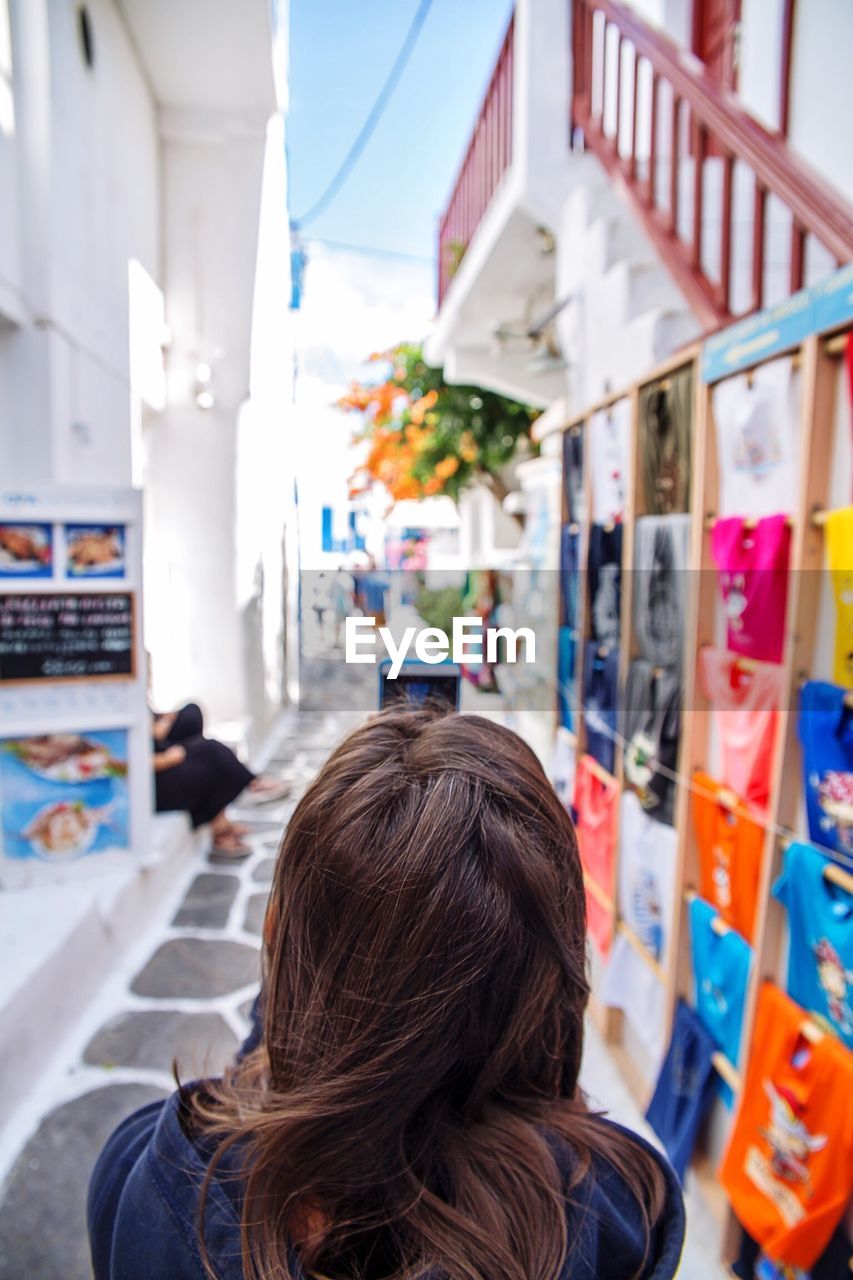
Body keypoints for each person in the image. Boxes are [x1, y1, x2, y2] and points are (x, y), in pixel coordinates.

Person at [89, 706, 684, 1279]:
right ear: (552, 976)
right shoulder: (617, 1212)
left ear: (277, 942)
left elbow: (274, 1059)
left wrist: (308, 975)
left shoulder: (153, 1180)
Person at [152, 702, 289, 862]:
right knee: (209, 752)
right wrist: (166, 758)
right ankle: (245, 792)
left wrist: (161, 719)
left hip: (156, 745)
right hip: (151, 774)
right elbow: (128, 761)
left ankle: (224, 813)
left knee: (192, 714)